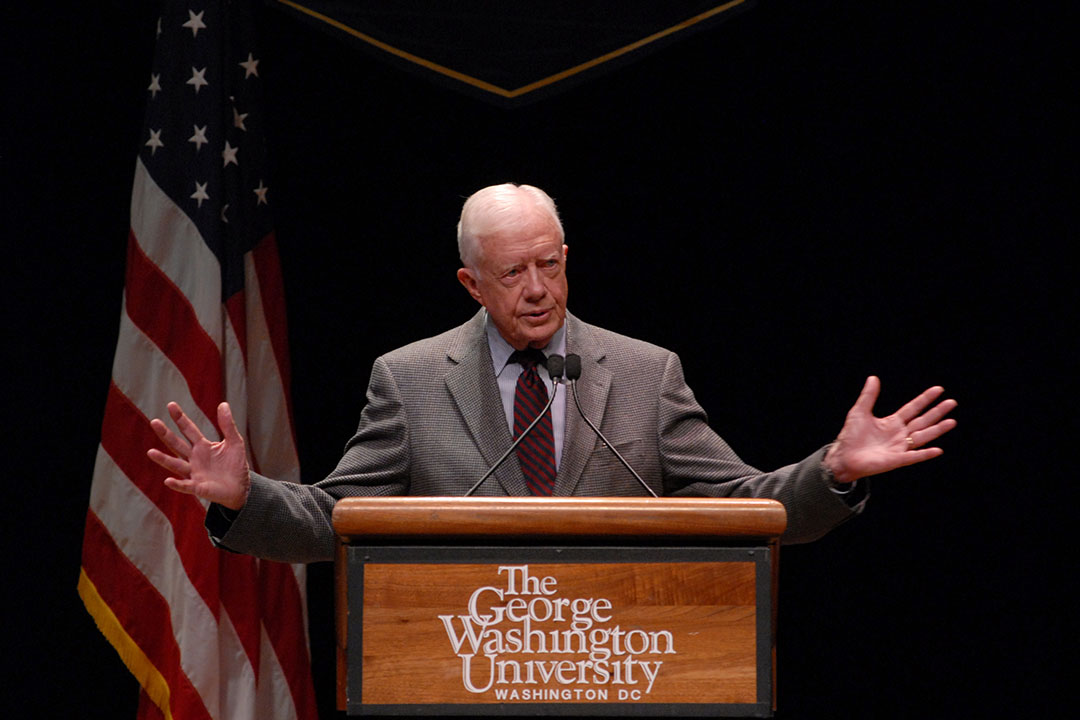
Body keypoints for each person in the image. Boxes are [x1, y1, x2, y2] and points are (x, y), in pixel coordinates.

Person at [147, 183, 957, 564]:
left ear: (567, 258)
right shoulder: (410, 380)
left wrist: (836, 472)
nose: (537, 290)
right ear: (471, 282)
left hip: (617, 667)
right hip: (464, 665)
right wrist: (243, 497)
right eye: (512, 274)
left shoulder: (645, 372)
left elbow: (746, 508)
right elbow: (336, 517)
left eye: (549, 264)